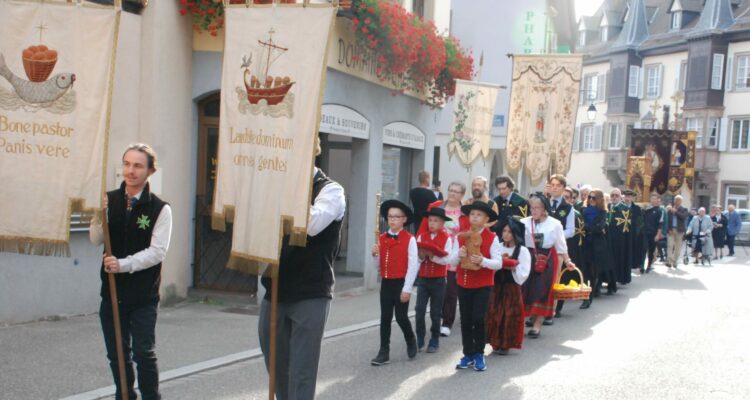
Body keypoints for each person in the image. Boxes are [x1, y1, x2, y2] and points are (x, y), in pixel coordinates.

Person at [258, 142, 346, 399]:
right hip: (275, 287)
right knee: (275, 364)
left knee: (302, 369)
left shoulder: (331, 190)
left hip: (311, 291)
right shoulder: (278, 188)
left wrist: (283, 195)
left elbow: (312, 225)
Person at [90, 143, 173, 400]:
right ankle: (124, 396)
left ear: (150, 171)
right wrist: (97, 215)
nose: (130, 170)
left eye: (138, 165)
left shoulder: (159, 208)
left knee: (143, 353)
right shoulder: (110, 200)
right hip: (113, 293)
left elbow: (158, 252)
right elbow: (96, 239)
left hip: (143, 295)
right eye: (127, 164)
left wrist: (123, 264)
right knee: (117, 353)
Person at [455, 201, 503, 371]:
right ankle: (467, 353)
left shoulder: (492, 237)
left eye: (479, 215)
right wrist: (458, 255)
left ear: (486, 219)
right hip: (464, 282)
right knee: (465, 319)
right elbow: (452, 262)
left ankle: (479, 353)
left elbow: (498, 263)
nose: (474, 217)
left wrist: (483, 261)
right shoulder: (461, 236)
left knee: (478, 318)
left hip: (483, 284)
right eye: (472, 214)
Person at [371, 200, 419, 366]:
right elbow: (378, 266)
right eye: (390, 217)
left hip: (401, 282)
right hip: (386, 283)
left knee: (400, 317)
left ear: (404, 219)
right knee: (385, 317)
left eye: (396, 217)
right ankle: (384, 351)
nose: (392, 220)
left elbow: (413, 265)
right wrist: (375, 255)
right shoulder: (382, 238)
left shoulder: (409, 239)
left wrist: (407, 289)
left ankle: (410, 339)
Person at [419, 182, 470, 338]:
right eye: (450, 190)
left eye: (456, 191)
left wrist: (457, 232)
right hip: (434, 250)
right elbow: (424, 227)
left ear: (462, 195)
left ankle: (447, 322)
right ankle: (438, 316)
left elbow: (467, 232)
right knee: (438, 288)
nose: (452, 193)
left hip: (454, 251)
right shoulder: (436, 206)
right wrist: (419, 245)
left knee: (451, 290)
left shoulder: (464, 212)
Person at [521, 194, 576, 338]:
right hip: (528, 258)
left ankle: (537, 324)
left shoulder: (555, 224)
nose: (534, 211)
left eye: (537, 208)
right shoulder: (523, 222)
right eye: (532, 208)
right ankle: (531, 317)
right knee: (527, 289)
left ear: (544, 209)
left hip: (546, 260)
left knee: (542, 290)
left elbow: (561, 245)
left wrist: (568, 260)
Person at [485, 218, 530, 355]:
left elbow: (524, 272)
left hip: (511, 287)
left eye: (509, 232)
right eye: (504, 231)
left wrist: (512, 266)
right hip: (496, 285)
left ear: (515, 233)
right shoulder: (497, 246)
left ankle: (506, 344)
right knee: (494, 313)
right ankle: (494, 341)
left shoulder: (522, 250)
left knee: (509, 315)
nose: (506, 234)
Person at [414, 207, 456, 353]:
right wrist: (421, 256)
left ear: (442, 223)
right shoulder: (421, 237)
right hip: (423, 279)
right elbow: (416, 259)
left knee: (436, 311)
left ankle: (434, 338)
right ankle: (419, 336)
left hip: (438, 280)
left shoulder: (447, 238)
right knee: (419, 309)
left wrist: (433, 257)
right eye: (430, 220)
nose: (432, 223)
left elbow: (447, 260)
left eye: (436, 221)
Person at [544, 175, 575, 323]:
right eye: (552, 184)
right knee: (539, 280)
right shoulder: (543, 204)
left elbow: (571, 230)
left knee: (554, 281)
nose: (554, 187)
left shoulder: (568, 208)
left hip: (558, 250)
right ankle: (536, 311)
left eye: (558, 185)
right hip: (542, 248)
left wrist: (555, 235)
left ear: (563, 188)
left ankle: (550, 311)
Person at [581, 189, 611, 306]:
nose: (591, 200)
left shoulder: (603, 212)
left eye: (594, 198)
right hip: (584, 244)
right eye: (590, 197)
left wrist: (586, 227)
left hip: (596, 245)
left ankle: (589, 296)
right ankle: (585, 295)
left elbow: (599, 228)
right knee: (584, 271)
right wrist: (589, 227)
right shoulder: (583, 210)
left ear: (599, 199)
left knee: (593, 272)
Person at [608, 188, 633, 285]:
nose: (614, 197)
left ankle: (614, 281)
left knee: (617, 260)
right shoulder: (607, 207)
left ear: (620, 197)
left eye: (616, 195)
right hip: (607, 239)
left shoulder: (625, 209)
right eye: (612, 195)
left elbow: (627, 228)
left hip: (619, 241)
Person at [643, 194, 667, 272]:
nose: (652, 200)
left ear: (658, 200)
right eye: (651, 198)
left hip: (653, 233)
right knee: (644, 248)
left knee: (651, 250)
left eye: (654, 199)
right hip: (645, 232)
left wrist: (658, 234)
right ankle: (641, 265)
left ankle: (649, 265)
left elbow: (660, 224)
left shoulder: (660, 211)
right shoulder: (647, 209)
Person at [623, 189, 646, 273]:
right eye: (625, 196)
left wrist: (637, 232)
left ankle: (630, 266)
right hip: (621, 234)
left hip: (632, 235)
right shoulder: (620, 207)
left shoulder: (637, 209)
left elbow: (640, 223)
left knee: (631, 252)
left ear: (632, 198)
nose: (627, 198)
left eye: (629, 196)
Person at [666, 195, 689, 268]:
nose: (677, 202)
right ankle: (669, 261)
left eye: (679, 200)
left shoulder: (684, 209)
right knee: (670, 245)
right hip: (671, 230)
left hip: (679, 231)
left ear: (681, 202)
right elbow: (667, 220)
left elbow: (683, 217)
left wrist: (675, 212)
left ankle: (675, 261)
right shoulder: (670, 209)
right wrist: (668, 229)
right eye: (676, 200)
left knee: (677, 247)